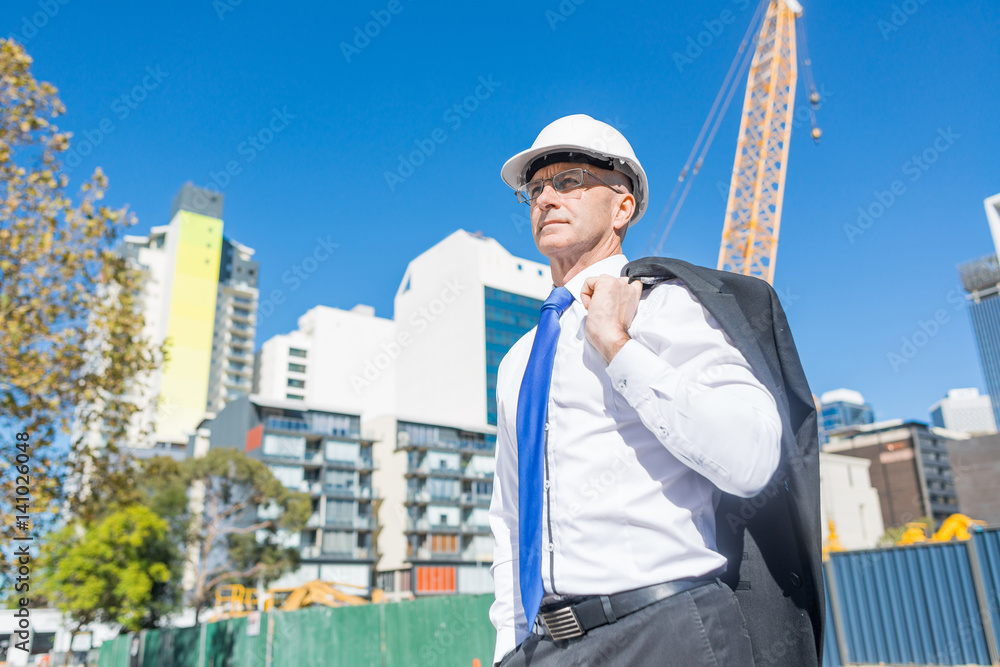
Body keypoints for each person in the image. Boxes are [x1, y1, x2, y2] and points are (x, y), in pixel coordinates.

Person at [488, 114, 820, 667]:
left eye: (568, 181)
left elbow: (754, 459)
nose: (545, 198)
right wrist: (508, 647)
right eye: (535, 189)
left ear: (622, 207)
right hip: (542, 649)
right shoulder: (518, 360)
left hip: (667, 632)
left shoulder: (669, 306)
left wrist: (619, 347)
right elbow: (509, 514)